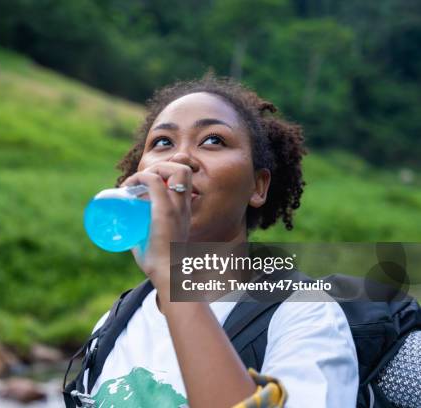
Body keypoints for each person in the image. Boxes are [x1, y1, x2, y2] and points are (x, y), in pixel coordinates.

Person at [82, 74, 359, 408]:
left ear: (258, 187)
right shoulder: (117, 322)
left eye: (213, 140)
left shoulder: (306, 316)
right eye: (163, 142)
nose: (180, 159)